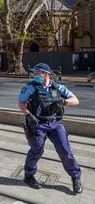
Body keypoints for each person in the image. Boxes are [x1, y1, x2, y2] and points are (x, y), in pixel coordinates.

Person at [18, 63, 82, 194]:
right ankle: (28, 174)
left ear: (45, 74)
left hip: (55, 124)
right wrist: (28, 115)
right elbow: (21, 102)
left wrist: (64, 102)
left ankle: (75, 177)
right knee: (37, 150)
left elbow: (75, 100)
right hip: (38, 123)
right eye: (34, 73)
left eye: (37, 73)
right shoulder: (30, 87)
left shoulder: (58, 87)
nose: (34, 75)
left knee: (65, 150)